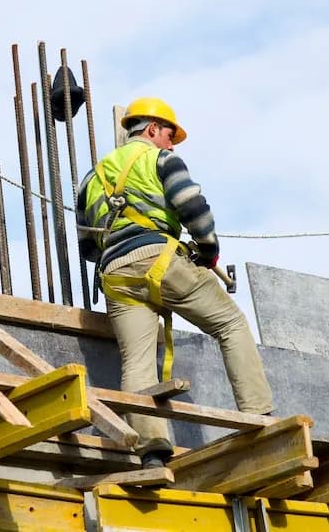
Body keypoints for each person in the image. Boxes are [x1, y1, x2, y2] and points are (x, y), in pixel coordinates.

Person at [76, 97, 274, 468]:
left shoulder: (91, 178)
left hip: (116, 275)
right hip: (161, 260)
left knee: (136, 361)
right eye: (169, 135)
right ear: (151, 129)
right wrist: (209, 250)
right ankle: (259, 416)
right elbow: (192, 207)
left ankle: (151, 450)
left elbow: (88, 246)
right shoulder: (161, 159)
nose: (171, 143)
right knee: (231, 324)